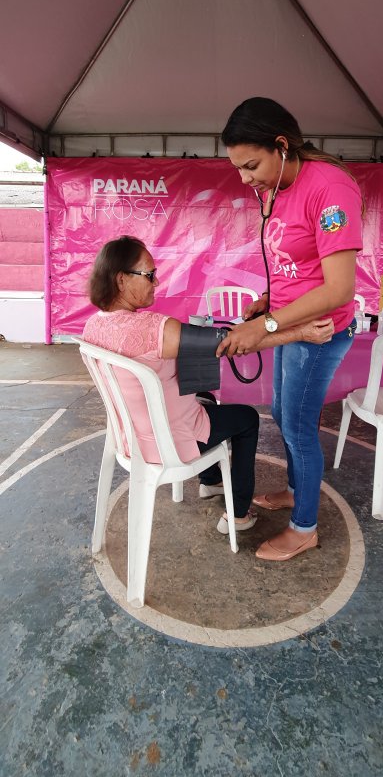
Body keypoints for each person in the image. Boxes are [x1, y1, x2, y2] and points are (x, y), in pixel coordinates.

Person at [83, 236, 334, 537]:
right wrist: (301, 333)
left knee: (204, 395)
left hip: (132, 437)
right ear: (121, 280)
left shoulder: (94, 325)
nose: (156, 281)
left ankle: (211, 480)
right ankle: (239, 513)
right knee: (247, 419)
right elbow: (228, 342)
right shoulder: (151, 328)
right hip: (168, 441)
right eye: (149, 274)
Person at [217, 97, 363, 561]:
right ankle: (298, 490)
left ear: (281, 146)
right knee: (283, 413)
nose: (245, 178)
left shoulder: (332, 190)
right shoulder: (274, 187)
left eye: (252, 165)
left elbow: (339, 288)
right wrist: (268, 299)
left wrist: (268, 324)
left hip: (317, 329)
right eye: (238, 168)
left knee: (297, 426)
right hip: (288, 317)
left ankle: (305, 527)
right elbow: (291, 260)